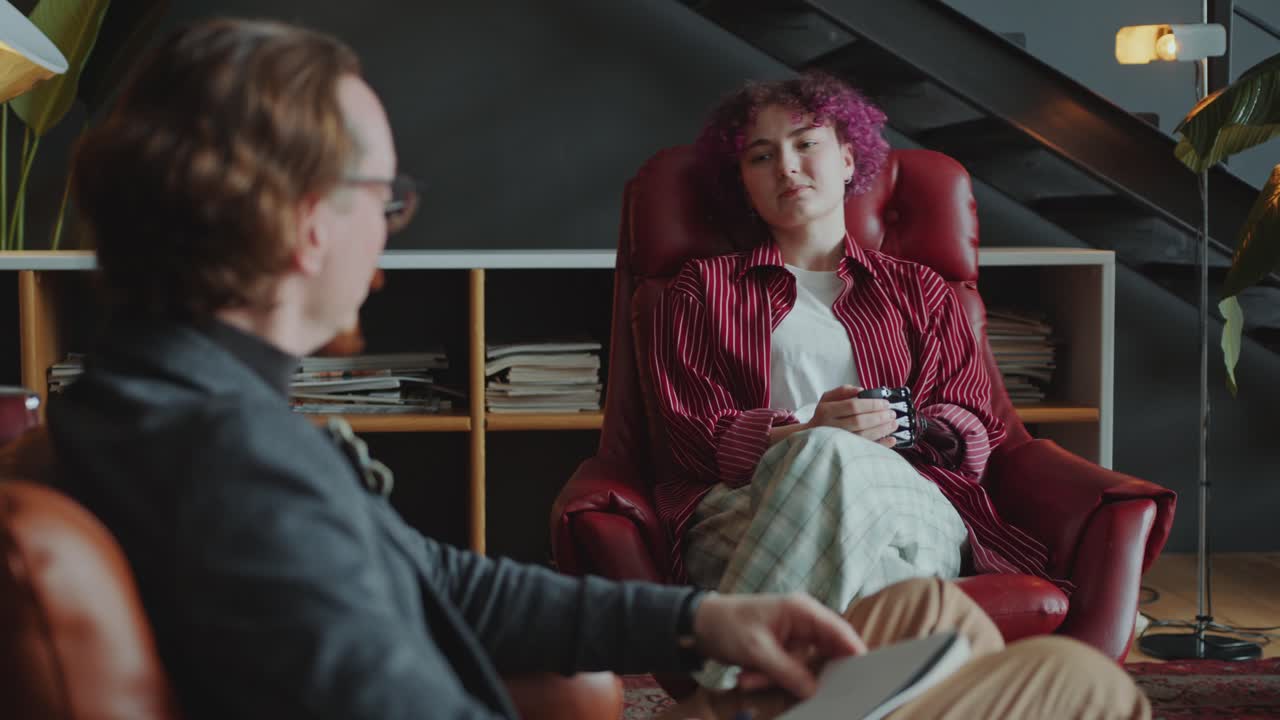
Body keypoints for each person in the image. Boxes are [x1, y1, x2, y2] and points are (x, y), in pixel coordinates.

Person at [47, 19, 1148, 720]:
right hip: (764, 501)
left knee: (939, 622)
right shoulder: (232, 466)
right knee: (1078, 684)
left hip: (860, 532)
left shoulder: (161, 407)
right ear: (304, 227)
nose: (390, 237)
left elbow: (437, 581)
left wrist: (695, 625)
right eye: (385, 201)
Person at [648, 73, 1068, 687]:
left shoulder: (921, 290)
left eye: (805, 144)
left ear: (848, 160)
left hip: (912, 500)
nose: (786, 166)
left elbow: (975, 428)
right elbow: (690, 435)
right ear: (744, 184)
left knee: (834, 454)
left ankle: (720, 696)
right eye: (761, 157)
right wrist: (806, 431)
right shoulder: (702, 289)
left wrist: (905, 424)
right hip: (744, 507)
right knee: (884, 564)